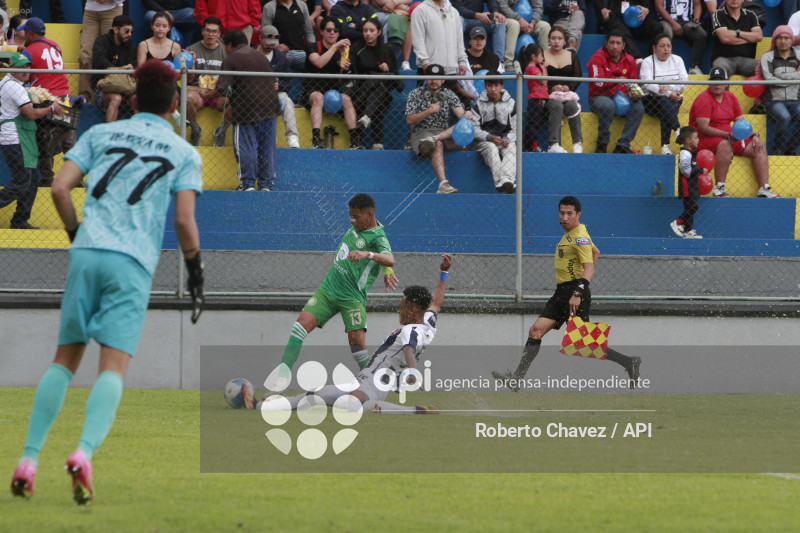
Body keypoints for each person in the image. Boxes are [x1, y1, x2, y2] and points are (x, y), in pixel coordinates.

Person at [9, 59, 204, 505]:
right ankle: (82, 453)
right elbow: (184, 221)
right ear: (175, 106)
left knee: (63, 361)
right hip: (131, 261)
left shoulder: (100, 135)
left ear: (134, 101)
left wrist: (77, 234)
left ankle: (29, 459)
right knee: (112, 368)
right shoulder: (183, 152)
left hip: (86, 253)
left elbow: (59, 190)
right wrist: (195, 272)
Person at [261, 254, 451, 415]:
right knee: (315, 394)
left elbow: (409, 348)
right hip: (366, 379)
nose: (399, 311)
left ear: (412, 309)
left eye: (402, 307)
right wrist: (444, 273)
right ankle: (265, 406)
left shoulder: (411, 329)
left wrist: (413, 370)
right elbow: (436, 303)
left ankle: (413, 411)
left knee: (352, 405)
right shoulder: (428, 323)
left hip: (375, 381)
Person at [492, 196, 642, 392]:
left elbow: (589, 268)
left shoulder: (579, 236)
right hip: (561, 292)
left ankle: (629, 361)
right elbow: (596, 252)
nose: (564, 217)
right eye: (562, 213)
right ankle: (517, 379)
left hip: (574, 293)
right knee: (535, 331)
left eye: (569, 214)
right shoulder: (576, 234)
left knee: (583, 343)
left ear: (578, 215)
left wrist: (578, 290)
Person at [271, 193, 397, 391]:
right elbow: (386, 264)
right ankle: (280, 381)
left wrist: (369, 255)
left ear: (370, 215)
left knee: (357, 347)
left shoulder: (378, 237)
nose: (352, 220)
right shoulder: (359, 226)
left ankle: (375, 387)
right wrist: (387, 271)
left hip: (352, 298)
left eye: (356, 217)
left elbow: (390, 259)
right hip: (328, 290)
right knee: (299, 327)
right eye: (350, 216)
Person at [688, 66, 778, 198]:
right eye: (714, 80)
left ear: (726, 83)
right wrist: (727, 135)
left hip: (729, 138)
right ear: (708, 83)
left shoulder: (730, 97)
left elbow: (741, 122)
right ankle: (719, 188)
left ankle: (764, 188)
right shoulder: (703, 98)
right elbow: (704, 128)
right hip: (703, 140)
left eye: (721, 80)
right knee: (725, 144)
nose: (717, 84)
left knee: (758, 146)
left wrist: (754, 135)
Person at [0, 53, 63, 229]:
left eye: (28, 67)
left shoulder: (6, 83)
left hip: (15, 137)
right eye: (21, 68)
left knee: (32, 178)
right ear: (12, 69)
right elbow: (31, 114)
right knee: (22, 181)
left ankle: (20, 220)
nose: (27, 71)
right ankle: (19, 220)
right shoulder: (14, 87)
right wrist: (51, 107)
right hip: (14, 137)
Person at [213, 30, 280, 191]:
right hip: (270, 107)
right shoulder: (260, 56)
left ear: (229, 45)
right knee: (267, 148)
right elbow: (272, 81)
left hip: (246, 110)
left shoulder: (231, 58)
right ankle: (266, 185)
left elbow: (222, 89)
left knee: (246, 147)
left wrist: (207, 94)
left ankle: (247, 184)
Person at [19, 17, 75, 188]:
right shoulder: (55, 44)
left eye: (25, 32)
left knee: (45, 138)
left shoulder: (28, 51)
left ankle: (47, 178)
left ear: (29, 32)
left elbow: (24, 74)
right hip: (64, 96)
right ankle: (76, 178)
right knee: (68, 138)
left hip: (45, 98)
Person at [405, 64, 472, 194]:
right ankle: (443, 184)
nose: (434, 81)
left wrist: (466, 115)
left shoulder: (448, 94)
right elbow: (409, 120)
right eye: (430, 78)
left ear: (443, 80)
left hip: (444, 132)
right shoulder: (415, 94)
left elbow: (460, 115)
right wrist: (428, 111)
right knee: (438, 144)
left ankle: (435, 138)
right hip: (422, 133)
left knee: (466, 123)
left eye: (437, 78)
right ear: (425, 79)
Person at [303, 17, 361, 149]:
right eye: (329, 30)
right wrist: (335, 47)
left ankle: (354, 139)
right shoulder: (313, 46)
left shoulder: (342, 52)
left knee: (346, 99)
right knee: (318, 97)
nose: (332, 33)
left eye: (335, 30)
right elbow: (319, 63)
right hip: (313, 90)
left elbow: (341, 80)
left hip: (334, 91)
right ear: (322, 31)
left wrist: (344, 68)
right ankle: (316, 139)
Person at [587, 30, 644, 154]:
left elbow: (634, 84)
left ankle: (622, 145)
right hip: (599, 96)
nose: (614, 46)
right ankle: (602, 144)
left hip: (624, 97)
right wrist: (615, 81)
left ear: (623, 46)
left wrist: (634, 94)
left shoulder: (630, 60)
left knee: (639, 107)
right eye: (612, 42)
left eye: (618, 43)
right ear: (606, 44)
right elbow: (597, 83)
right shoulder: (597, 58)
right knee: (608, 105)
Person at [351, 19, 403, 150]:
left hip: (382, 93)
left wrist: (388, 69)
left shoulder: (387, 51)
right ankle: (377, 143)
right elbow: (354, 73)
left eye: (372, 31)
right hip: (361, 92)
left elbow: (396, 79)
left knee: (381, 92)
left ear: (379, 32)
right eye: (365, 31)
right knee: (379, 97)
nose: (368, 34)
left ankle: (365, 121)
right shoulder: (356, 48)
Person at [640, 33, 687, 155]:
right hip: (651, 101)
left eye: (668, 46)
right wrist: (668, 94)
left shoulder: (677, 60)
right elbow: (648, 84)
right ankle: (676, 129)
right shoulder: (647, 62)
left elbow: (685, 82)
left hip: (672, 99)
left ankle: (666, 146)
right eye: (662, 46)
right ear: (654, 48)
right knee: (665, 101)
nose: (666, 49)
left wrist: (669, 89)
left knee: (667, 104)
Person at [186, 17, 229, 147]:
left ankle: (221, 132)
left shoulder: (225, 52)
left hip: (217, 94)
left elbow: (229, 80)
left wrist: (216, 92)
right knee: (186, 99)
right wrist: (192, 63)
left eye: (214, 31)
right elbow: (188, 80)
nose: (211, 34)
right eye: (208, 30)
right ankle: (195, 130)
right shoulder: (191, 49)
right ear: (202, 31)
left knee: (237, 101)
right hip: (197, 93)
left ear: (219, 33)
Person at [472, 74, 517, 193]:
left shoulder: (511, 103)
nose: (493, 89)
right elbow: (474, 129)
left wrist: (508, 138)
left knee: (512, 147)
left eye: (496, 85)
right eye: (490, 85)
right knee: (492, 148)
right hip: (484, 141)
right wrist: (489, 137)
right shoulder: (478, 104)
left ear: (501, 86)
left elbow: (516, 128)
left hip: (504, 140)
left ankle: (507, 180)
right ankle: (500, 183)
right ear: (485, 86)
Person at [759, 25, 800, 156]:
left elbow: (776, 79)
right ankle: (777, 150)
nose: (783, 41)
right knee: (784, 117)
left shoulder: (798, 56)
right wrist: (793, 78)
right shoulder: (767, 57)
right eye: (780, 38)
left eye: (786, 38)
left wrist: (781, 76)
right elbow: (769, 80)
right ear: (775, 40)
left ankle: (790, 150)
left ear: (791, 40)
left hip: (796, 100)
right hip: (774, 100)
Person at [259, 25, 301, 149]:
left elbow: (288, 81)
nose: (270, 46)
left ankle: (292, 137)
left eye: (273, 44)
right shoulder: (251, 54)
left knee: (287, 101)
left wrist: (279, 85)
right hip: (255, 94)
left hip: (275, 93)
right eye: (268, 43)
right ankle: (269, 138)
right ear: (260, 38)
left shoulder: (280, 56)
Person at [542, 26, 583, 153]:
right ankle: (553, 144)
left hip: (567, 95)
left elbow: (578, 76)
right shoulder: (542, 54)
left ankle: (577, 143)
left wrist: (568, 87)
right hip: (548, 97)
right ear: (549, 40)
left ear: (565, 41)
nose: (556, 41)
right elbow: (537, 78)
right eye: (553, 38)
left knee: (572, 106)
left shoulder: (572, 56)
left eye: (560, 38)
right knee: (557, 106)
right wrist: (551, 89)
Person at [92, 15, 137, 124]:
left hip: (125, 89)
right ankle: (111, 134)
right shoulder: (101, 41)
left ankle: (139, 132)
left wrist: (132, 67)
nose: (129, 35)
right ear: (115, 29)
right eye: (126, 31)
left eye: (131, 32)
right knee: (116, 98)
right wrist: (121, 69)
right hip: (104, 90)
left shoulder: (130, 46)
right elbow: (100, 61)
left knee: (138, 99)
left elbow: (135, 64)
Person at [78, 0, 125, 101]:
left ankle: (108, 93)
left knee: (110, 53)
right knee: (85, 55)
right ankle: (84, 96)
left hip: (113, 10)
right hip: (90, 12)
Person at [411, 0, 469, 78]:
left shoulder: (454, 12)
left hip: (451, 71)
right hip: (429, 70)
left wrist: (462, 62)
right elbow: (417, 39)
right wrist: (425, 62)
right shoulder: (420, 10)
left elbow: (459, 40)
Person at [589, 0, 663, 60]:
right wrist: (602, 9)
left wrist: (646, 9)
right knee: (623, 33)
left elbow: (646, 6)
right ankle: (637, 60)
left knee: (657, 27)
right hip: (616, 17)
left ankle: (653, 59)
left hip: (636, 18)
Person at [261, 0, 317, 72]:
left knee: (316, 66)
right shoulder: (269, 7)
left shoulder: (302, 5)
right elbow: (266, 33)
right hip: (280, 54)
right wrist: (276, 46)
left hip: (301, 53)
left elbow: (309, 32)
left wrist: (312, 51)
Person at [654, 0, 706, 75]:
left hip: (687, 22)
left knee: (701, 34)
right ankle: (665, 66)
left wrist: (696, 18)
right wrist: (673, 23)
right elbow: (658, 7)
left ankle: (695, 68)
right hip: (666, 21)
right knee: (666, 32)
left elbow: (697, 4)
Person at [710, 0, 761, 77]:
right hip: (724, 59)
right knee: (719, 70)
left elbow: (758, 36)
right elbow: (725, 38)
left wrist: (738, 33)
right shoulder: (718, 14)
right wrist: (749, 38)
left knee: (765, 67)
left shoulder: (751, 15)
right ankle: (725, 89)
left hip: (747, 60)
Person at [669, 126, 704, 239]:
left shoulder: (690, 153)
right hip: (687, 186)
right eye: (695, 137)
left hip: (692, 186)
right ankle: (678, 222)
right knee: (693, 206)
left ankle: (688, 229)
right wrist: (700, 170)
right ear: (688, 140)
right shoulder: (685, 154)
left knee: (689, 208)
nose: (698, 140)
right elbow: (686, 171)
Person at [195, 0, 262, 44]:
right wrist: (207, 23)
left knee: (241, 62)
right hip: (215, 29)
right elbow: (200, 4)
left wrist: (251, 23)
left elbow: (254, 4)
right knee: (216, 62)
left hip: (243, 29)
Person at [523, 43, 548, 153]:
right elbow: (543, 80)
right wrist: (543, 68)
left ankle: (530, 145)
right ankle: (532, 145)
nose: (542, 58)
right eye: (541, 55)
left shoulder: (534, 68)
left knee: (535, 122)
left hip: (540, 98)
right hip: (536, 99)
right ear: (533, 57)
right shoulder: (532, 68)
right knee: (534, 123)